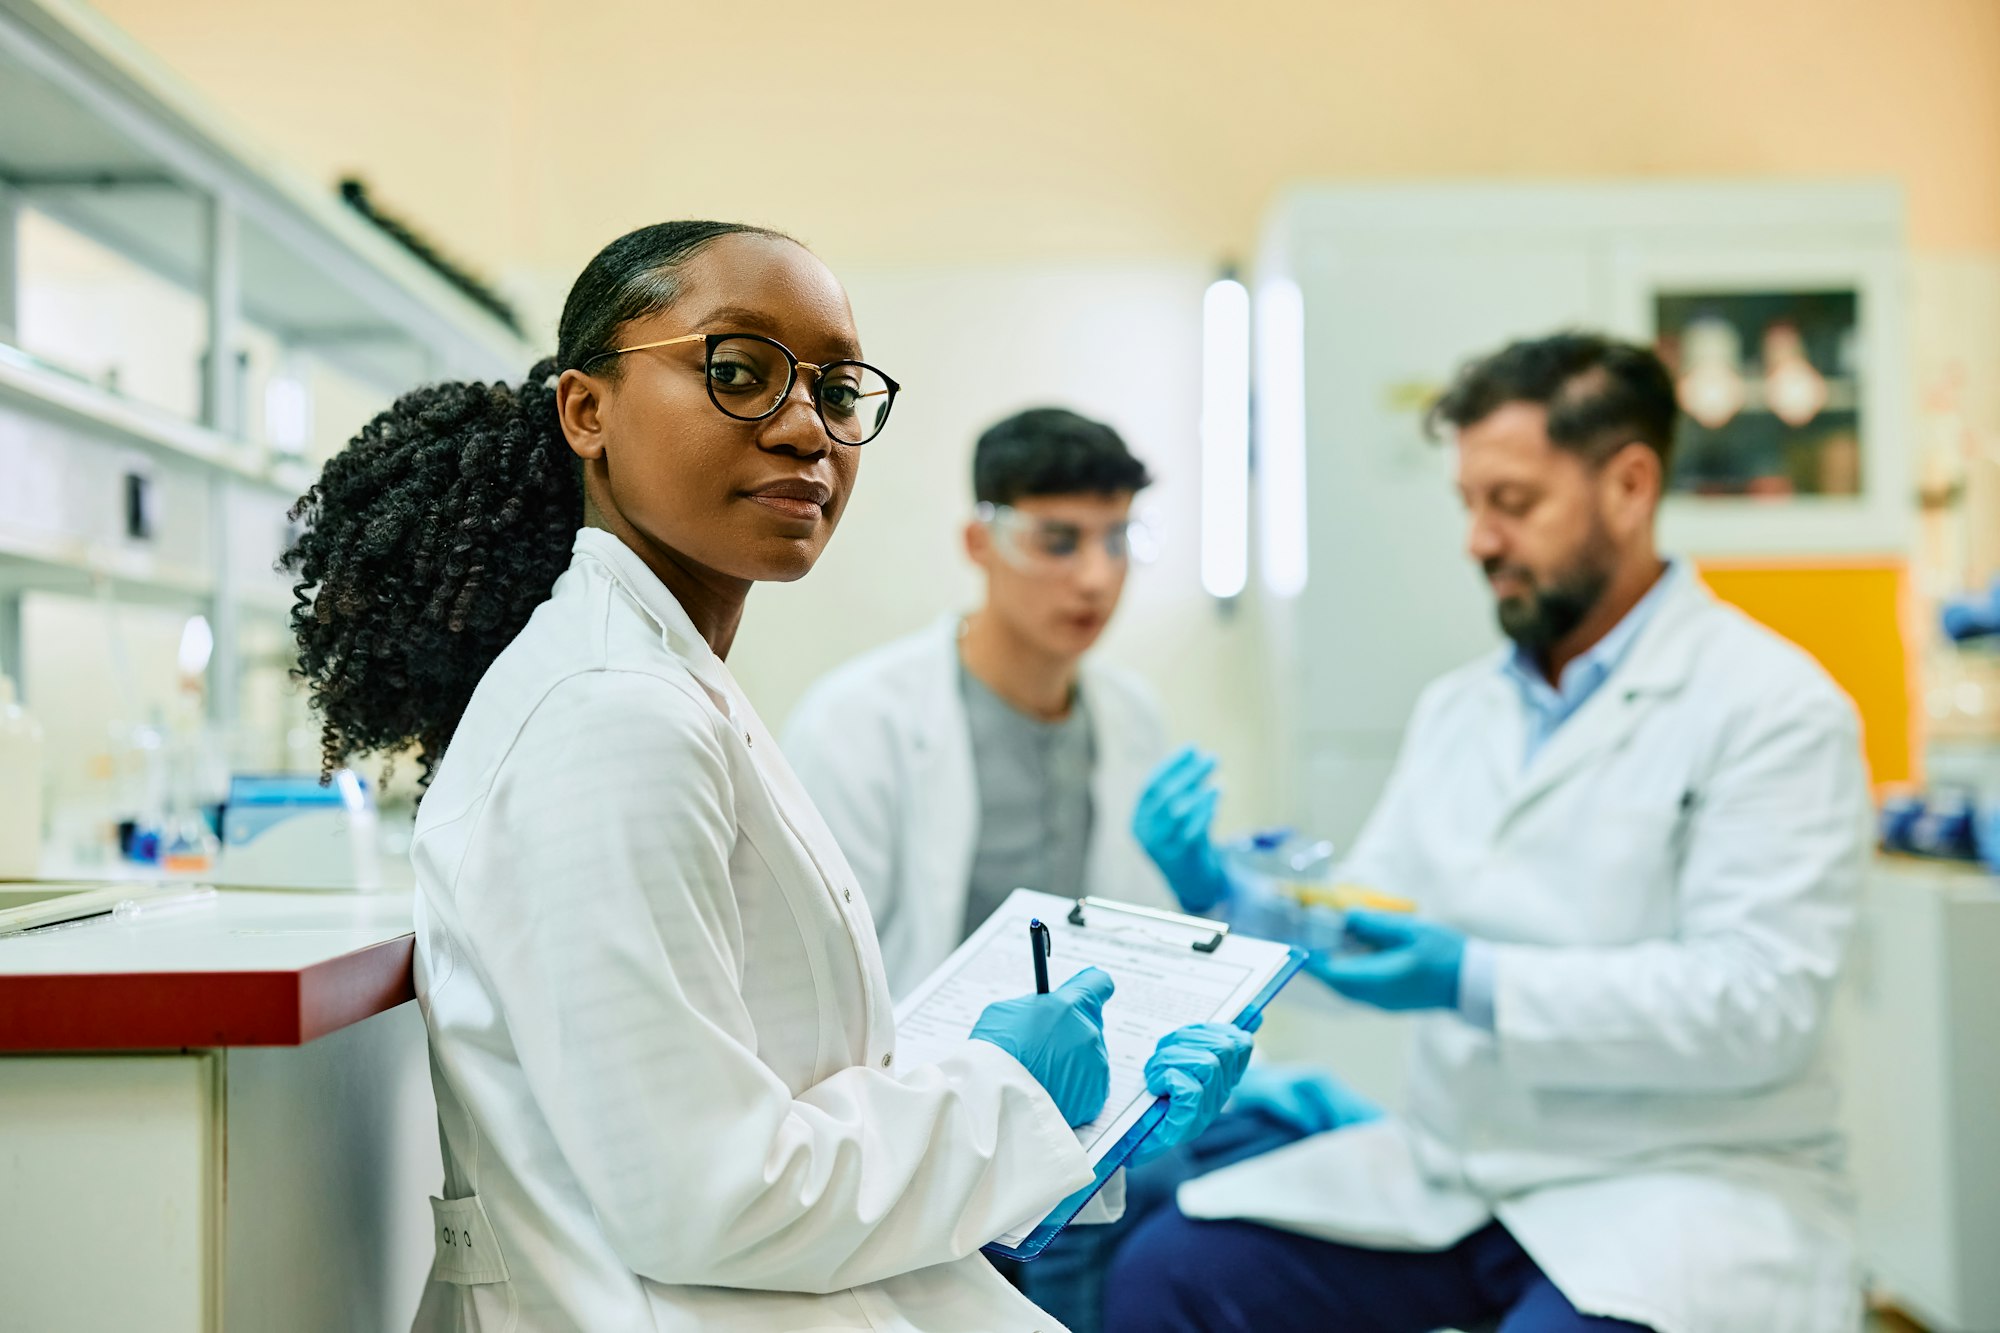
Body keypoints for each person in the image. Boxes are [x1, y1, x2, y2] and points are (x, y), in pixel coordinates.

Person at [281, 220, 1252, 1333]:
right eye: (736, 373)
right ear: (585, 411)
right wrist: (1007, 1085)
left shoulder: (666, 682)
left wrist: (1092, 1105)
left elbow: (783, 1087)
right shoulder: (609, 715)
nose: (805, 428)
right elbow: (707, 1196)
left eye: (838, 393)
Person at [1105, 332, 1872, 1333]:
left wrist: (1475, 979)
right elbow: (1372, 918)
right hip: (1455, 1175)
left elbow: (1757, 1003)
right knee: (1169, 1276)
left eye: (1510, 504)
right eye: (1467, 503)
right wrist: (1227, 896)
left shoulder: (1771, 708)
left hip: (1675, 1187)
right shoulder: (1458, 709)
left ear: (1629, 486)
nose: (1477, 540)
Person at [784, 407, 1185, 998]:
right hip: (914, 1078)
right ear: (979, 542)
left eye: (1117, 539)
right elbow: (813, 977)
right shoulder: (858, 724)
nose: (1097, 578)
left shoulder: (1132, 716)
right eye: (1059, 542)